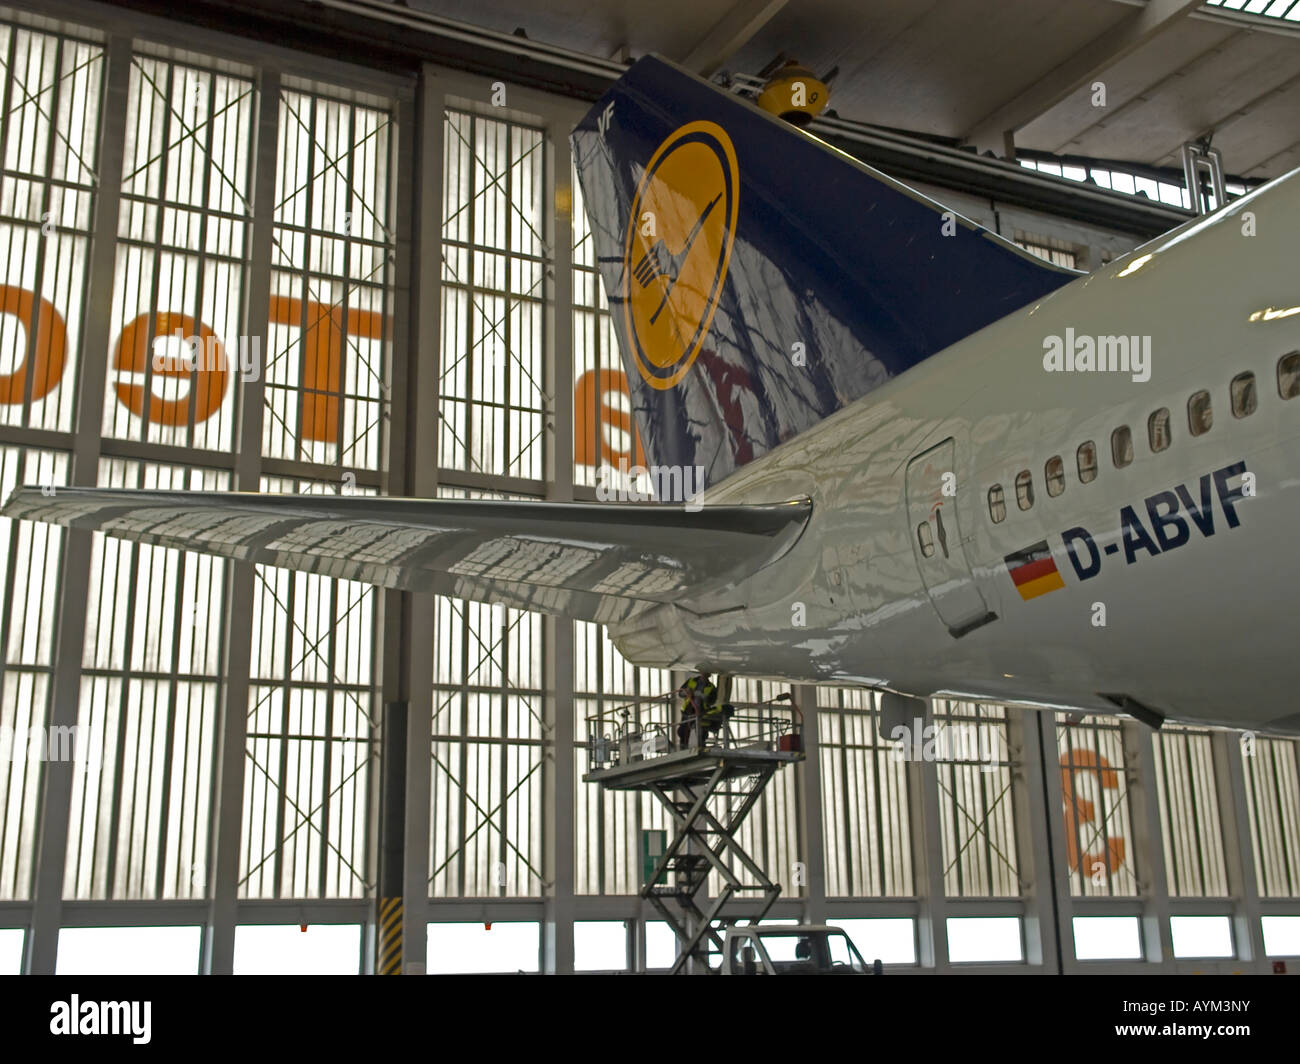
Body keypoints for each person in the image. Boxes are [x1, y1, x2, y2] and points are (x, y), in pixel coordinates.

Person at [677, 672, 732, 749]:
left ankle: (701, 746)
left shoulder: (711, 687)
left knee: (701, 730)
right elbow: (680, 693)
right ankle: (683, 747)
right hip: (688, 710)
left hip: (701, 711)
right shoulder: (691, 681)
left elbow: (712, 701)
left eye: (706, 674)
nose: (704, 675)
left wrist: (704, 697)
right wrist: (687, 692)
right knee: (683, 730)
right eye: (703, 673)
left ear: (709, 675)